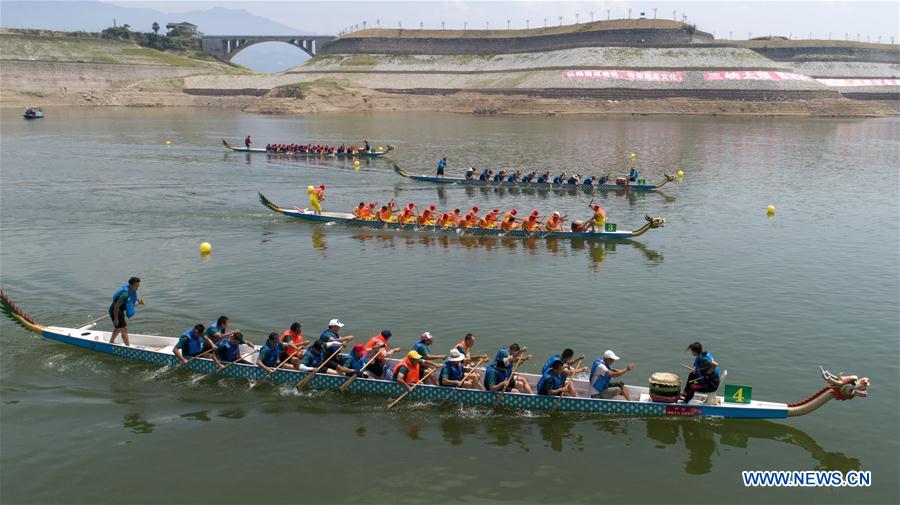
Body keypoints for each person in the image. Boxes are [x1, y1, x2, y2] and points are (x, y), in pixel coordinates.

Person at [109, 276, 143, 346]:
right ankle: (128, 347)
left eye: (138, 286)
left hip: (120, 309)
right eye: (136, 286)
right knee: (124, 328)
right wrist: (116, 319)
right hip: (116, 310)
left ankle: (111, 342)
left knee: (118, 328)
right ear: (131, 285)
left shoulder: (131, 289)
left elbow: (132, 295)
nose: (137, 288)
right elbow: (116, 306)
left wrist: (138, 300)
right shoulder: (124, 294)